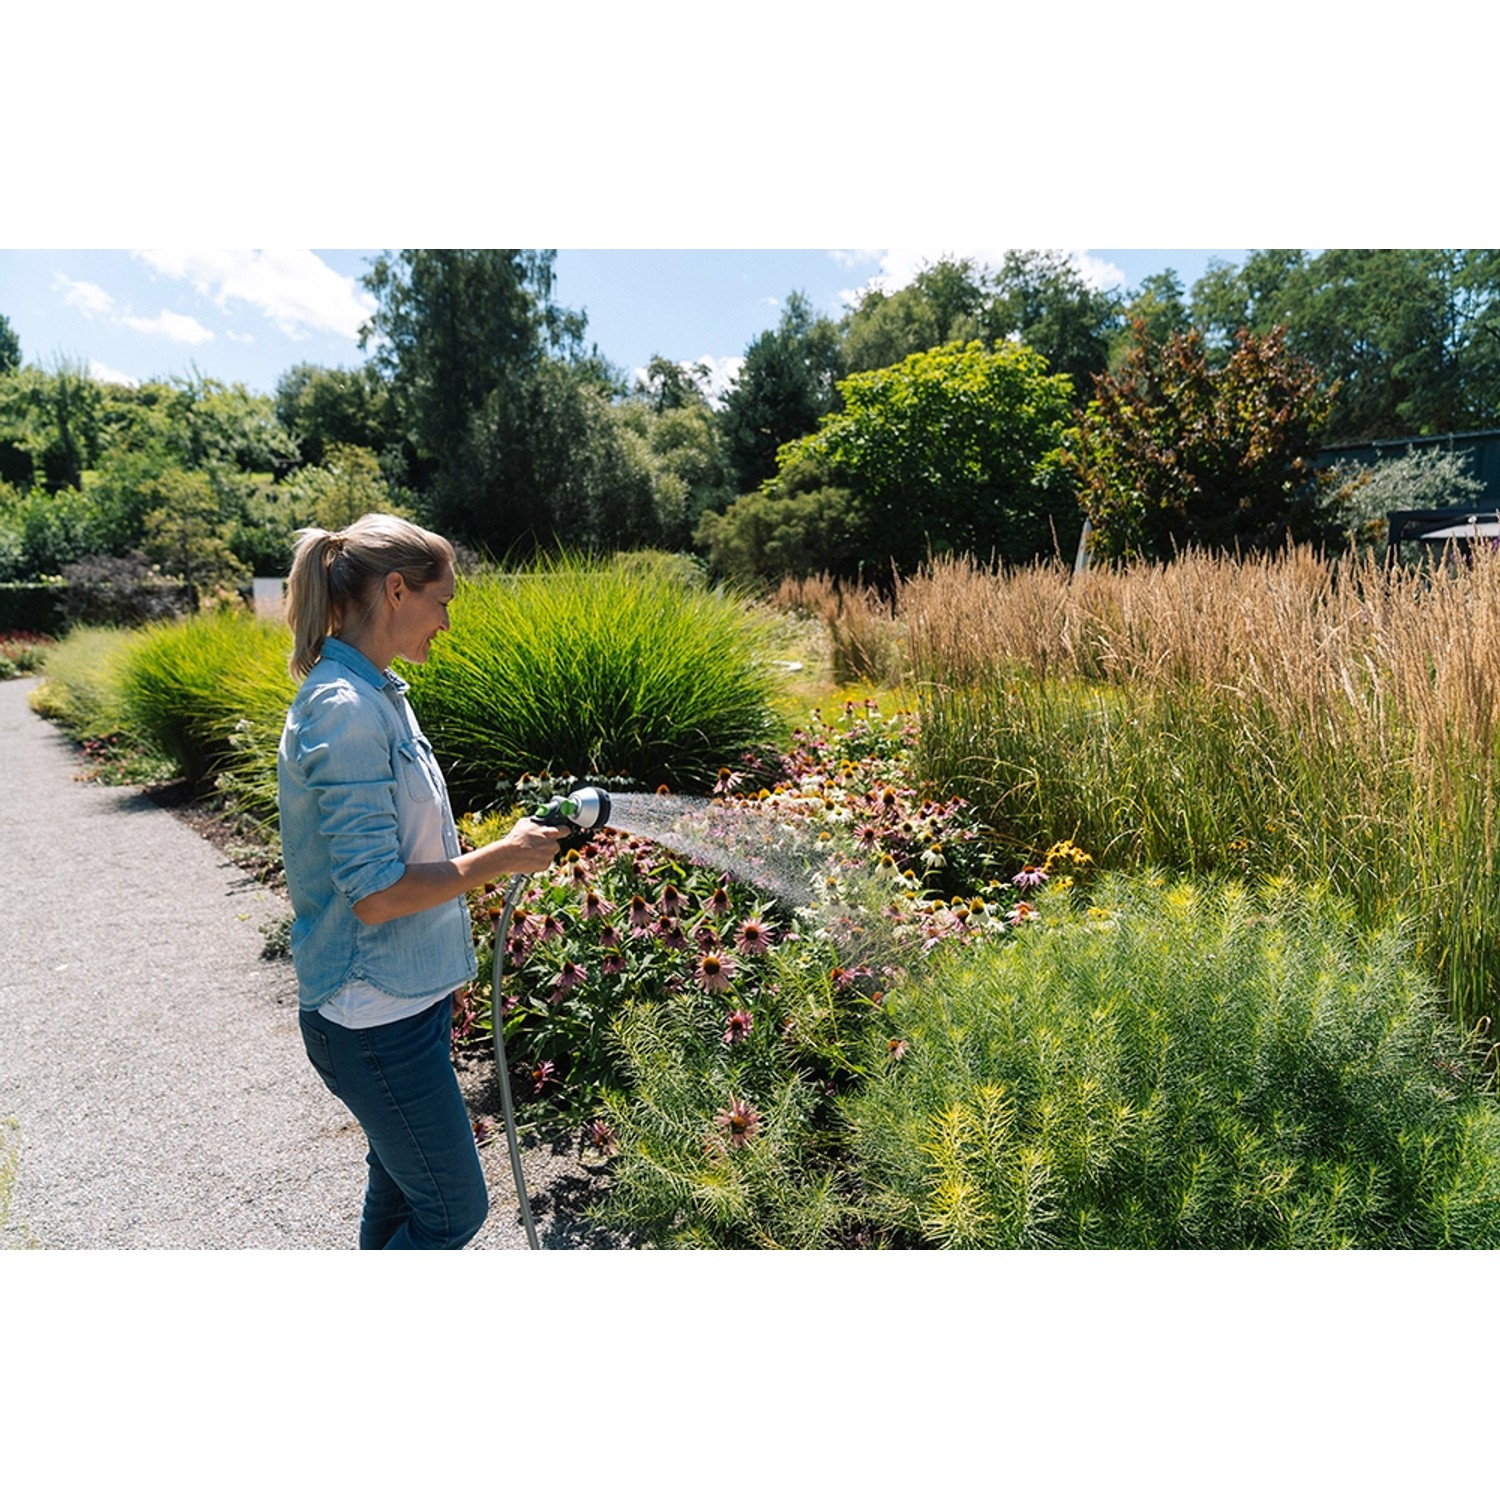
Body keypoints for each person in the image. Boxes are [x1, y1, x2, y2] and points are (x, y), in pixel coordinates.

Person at [276, 513, 563, 1249]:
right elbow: (376, 896)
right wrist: (502, 856)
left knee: (404, 1195)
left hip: (404, 1005)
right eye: (443, 602)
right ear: (397, 590)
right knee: (455, 1210)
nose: (446, 621)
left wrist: (442, 977)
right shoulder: (344, 711)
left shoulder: (379, 694)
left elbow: (410, 849)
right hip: (372, 1020)